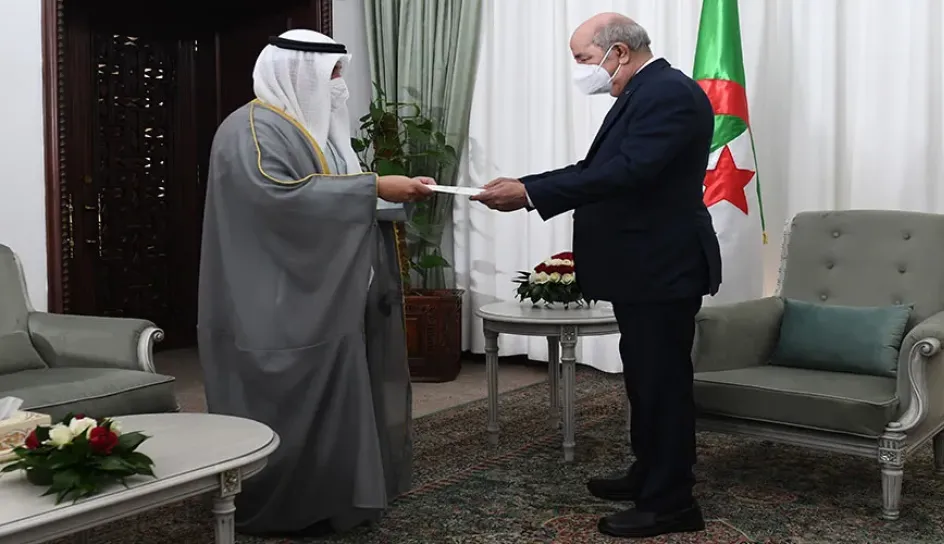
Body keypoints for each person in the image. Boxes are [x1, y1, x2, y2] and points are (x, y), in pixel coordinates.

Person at [472, 13, 722, 540]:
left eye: (584, 58)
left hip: (662, 266)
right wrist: (527, 185)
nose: (581, 69)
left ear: (619, 52)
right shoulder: (647, 91)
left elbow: (628, 172)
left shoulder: (668, 94)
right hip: (645, 267)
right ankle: (648, 473)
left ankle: (672, 502)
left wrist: (531, 194)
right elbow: (596, 170)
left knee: (662, 384)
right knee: (644, 378)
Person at [197, 29, 434, 536]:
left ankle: (336, 497)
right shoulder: (250, 129)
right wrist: (374, 186)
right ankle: (286, 505)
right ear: (296, 73)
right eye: (332, 73)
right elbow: (277, 197)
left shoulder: (314, 130)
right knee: (288, 401)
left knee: (341, 394)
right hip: (274, 300)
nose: (340, 84)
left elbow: (334, 190)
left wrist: (389, 193)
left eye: (340, 72)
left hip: (324, 295)